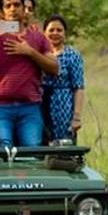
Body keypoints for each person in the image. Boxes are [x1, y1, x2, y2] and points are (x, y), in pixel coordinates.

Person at [0, 0, 57, 147]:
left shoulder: (37, 36)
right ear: (1, 11)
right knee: (4, 148)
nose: (12, 9)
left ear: (24, 8)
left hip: (29, 106)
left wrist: (30, 52)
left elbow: (54, 68)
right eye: (8, 6)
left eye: (17, 5)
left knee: (32, 149)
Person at [41, 14, 86, 142]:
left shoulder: (72, 55)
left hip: (63, 106)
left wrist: (76, 117)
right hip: (40, 104)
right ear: (44, 33)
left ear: (65, 33)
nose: (55, 33)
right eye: (51, 30)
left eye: (59, 30)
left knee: (63, 147)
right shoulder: (38, 54)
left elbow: (78, 87)